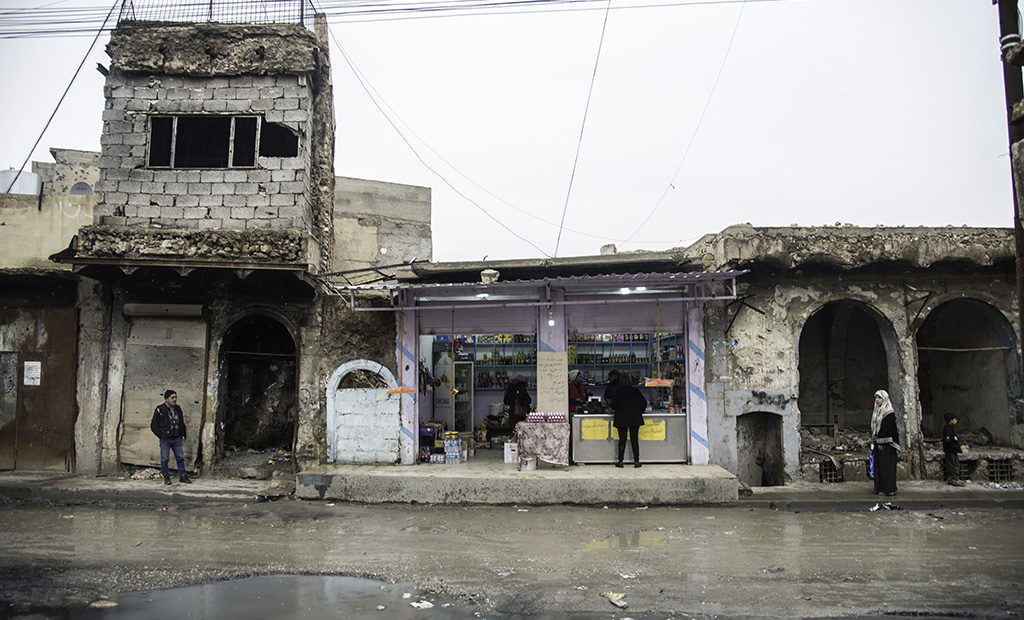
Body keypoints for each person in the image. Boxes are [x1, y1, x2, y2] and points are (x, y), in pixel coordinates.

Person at [150, 389, 192, 485]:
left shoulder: (177, 409)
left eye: (175, 397)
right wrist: (161, 435)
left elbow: (181, 422)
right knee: (164, 458)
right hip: (165, 439)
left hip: (176, 437)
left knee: (180, 457)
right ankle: (166, 476)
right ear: (166, 399)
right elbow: (153, 426)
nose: (174, 400)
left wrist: (183, 434)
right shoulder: (160, 409)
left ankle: (182, 475)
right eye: (172, 397)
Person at [611, 374, 647, 468]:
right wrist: (639, 412)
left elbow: (613, 405)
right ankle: (636, 461)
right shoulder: (635, 391)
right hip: (635, 418)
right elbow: (644, 403)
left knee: (622, 440)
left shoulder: (617, 392)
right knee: (634, 439)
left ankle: (620, 461)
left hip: (621, 419)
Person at [870, 389, 899, 496]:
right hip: (879, 444)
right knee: (880, 467)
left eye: (879, 398)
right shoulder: (877, 411)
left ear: (885, 399)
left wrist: (882, 442)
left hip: (887, 446)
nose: (877, 400)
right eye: (876, 398)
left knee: (887, 467)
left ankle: (888, 489)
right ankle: (880, 488)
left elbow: (888, 430)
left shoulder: (888, 413)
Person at [942, 413, 966, 486]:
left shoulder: (951, 429)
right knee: (953, 465)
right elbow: (948, 441)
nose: (956, 421)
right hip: (950, 451)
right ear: (950, 420)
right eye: (954, 419)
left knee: (954, 464)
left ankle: (953, 478)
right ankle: (954, 479)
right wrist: (954, 447)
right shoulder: (948, 429)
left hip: (953, 450)